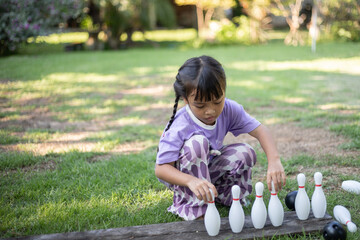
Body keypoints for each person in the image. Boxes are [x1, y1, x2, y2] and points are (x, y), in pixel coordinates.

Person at [155, 55, 286, 221]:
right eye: (200, 105)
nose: (210, 111)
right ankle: (194, 207)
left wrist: (274, 160)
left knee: (245, 152)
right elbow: (161, 169)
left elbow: (261, 131)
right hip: (183, 178)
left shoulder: (230, 109)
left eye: (217, 101)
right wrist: (191, 181)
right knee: (197, 143)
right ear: (185, 99)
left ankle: (226, 197)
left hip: (208, 167)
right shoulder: (180, 125)